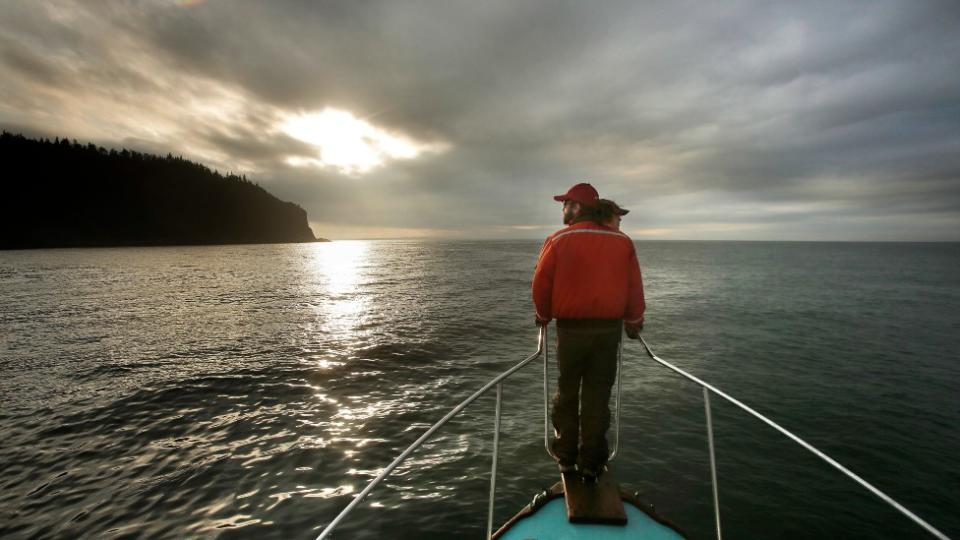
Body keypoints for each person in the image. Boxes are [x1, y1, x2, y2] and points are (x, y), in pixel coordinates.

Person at [532, 182, 645, 480]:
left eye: (566, 203)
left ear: (577, 207)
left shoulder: (558, 240)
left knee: (567, 393)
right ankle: (592, 463)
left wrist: (543, 316)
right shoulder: (623, 242)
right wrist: (634, 321)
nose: (562, 209)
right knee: (598, 396)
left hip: (571, 333)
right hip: (607, 334)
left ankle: (566, 459)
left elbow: (541, 285)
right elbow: (634, 287)